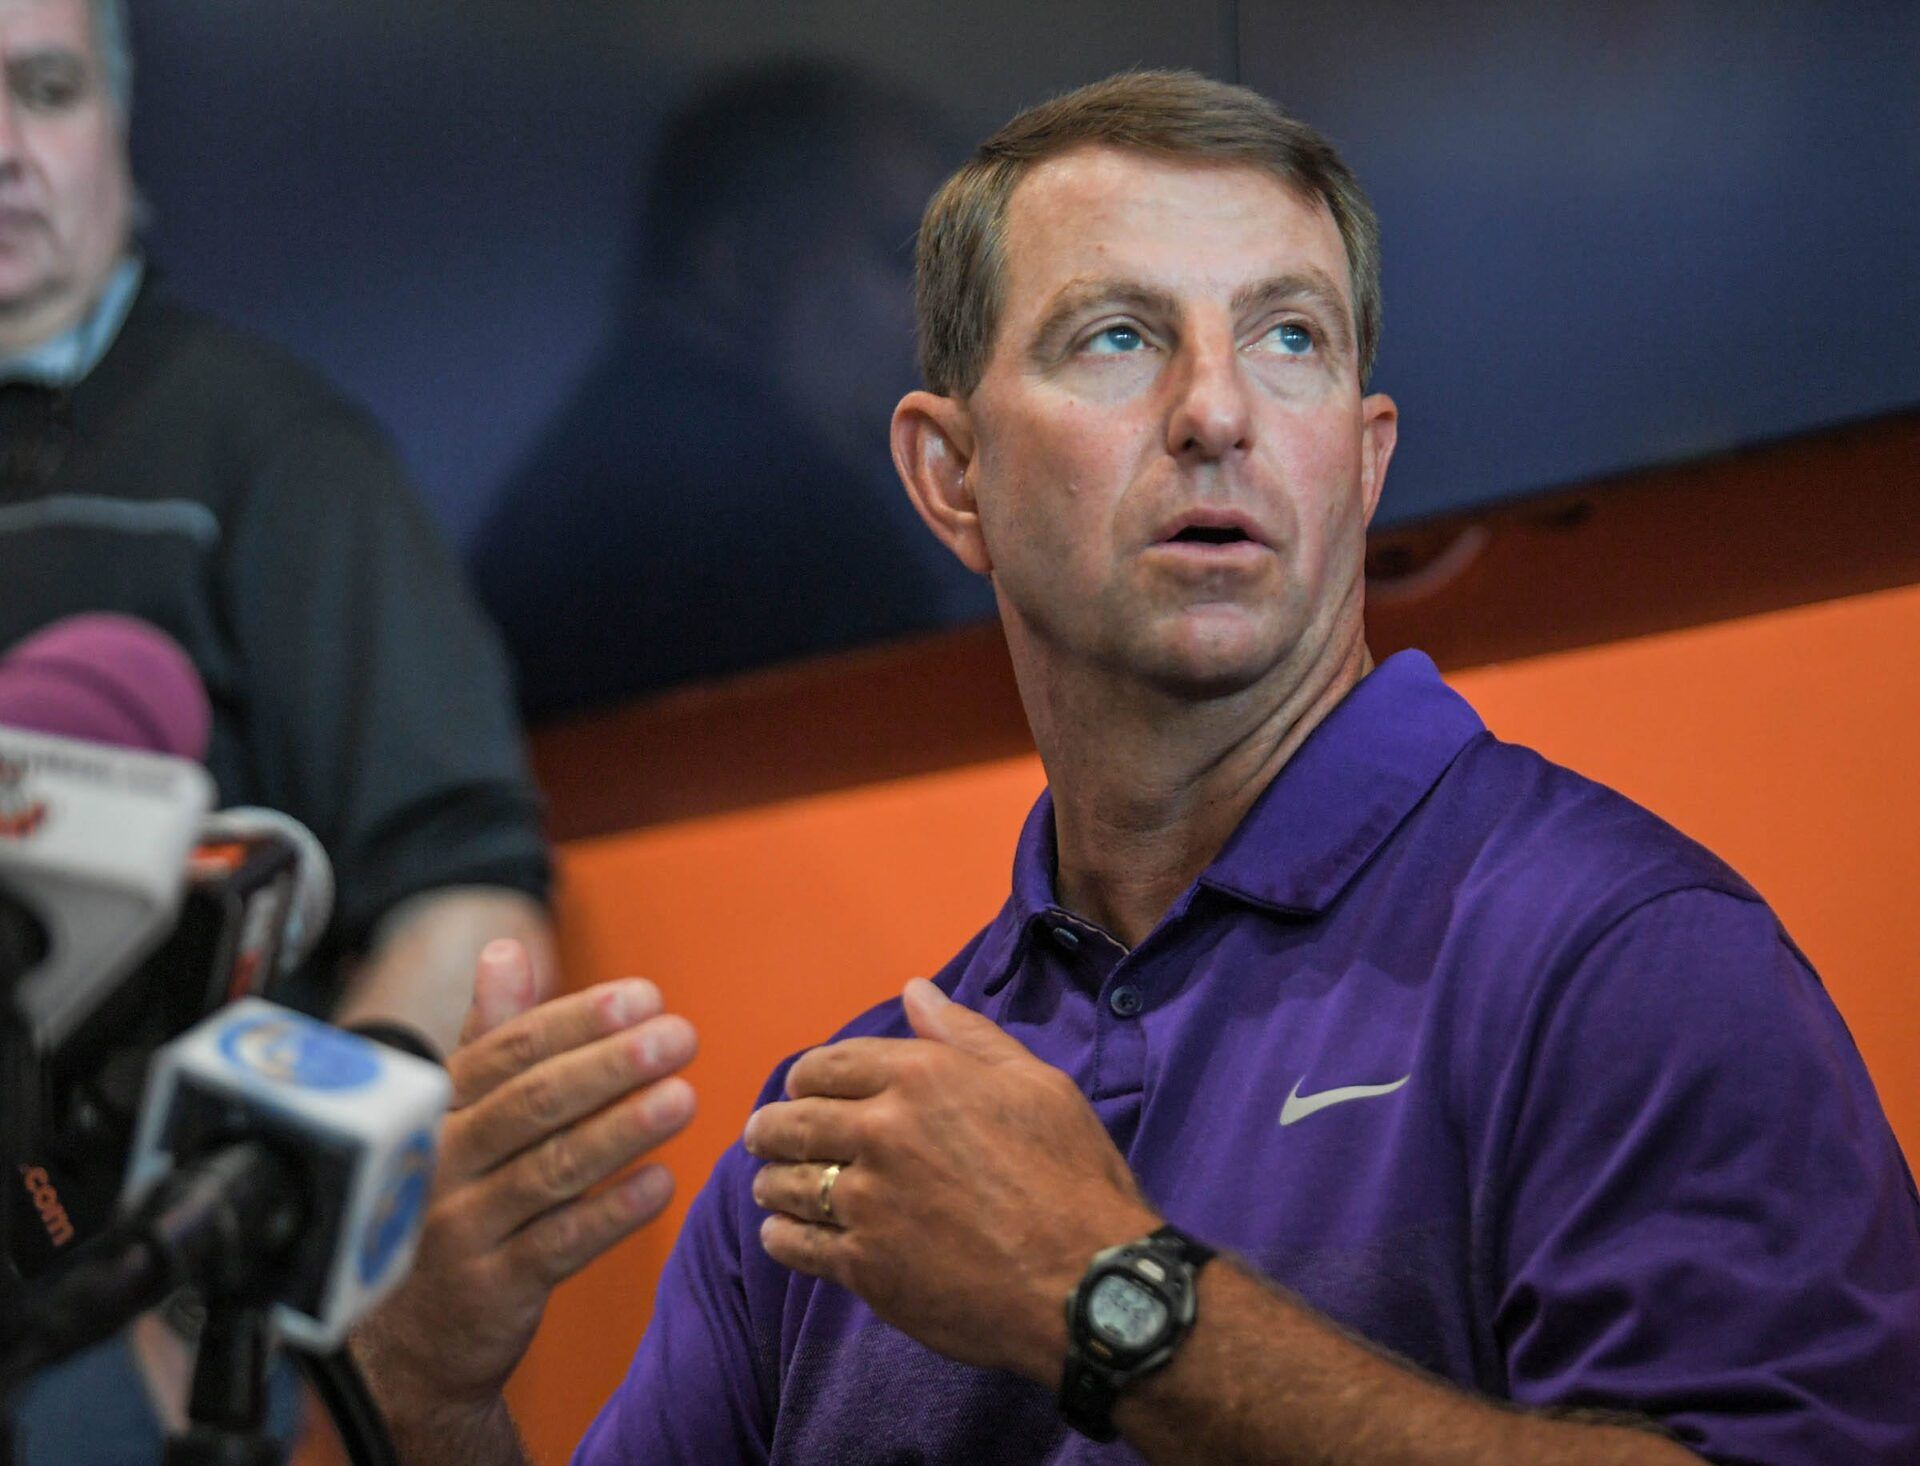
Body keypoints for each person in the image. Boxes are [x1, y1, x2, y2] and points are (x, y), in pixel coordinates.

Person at [360, 71, 1920, 1464]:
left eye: (1288, 336)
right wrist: (428, 1393)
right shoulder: (861, 1125)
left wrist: (1100, 1291)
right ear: (949, 475)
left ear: (1365, 459)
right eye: (1119, 336)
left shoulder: (1623, 955)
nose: (1219, 411)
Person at [1, 0, 554, 1454]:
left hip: (110, 1312)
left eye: (41, 89)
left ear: (115, 127)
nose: (0, 148)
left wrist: (218, 1265)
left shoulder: (272, 451)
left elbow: (467, 905)